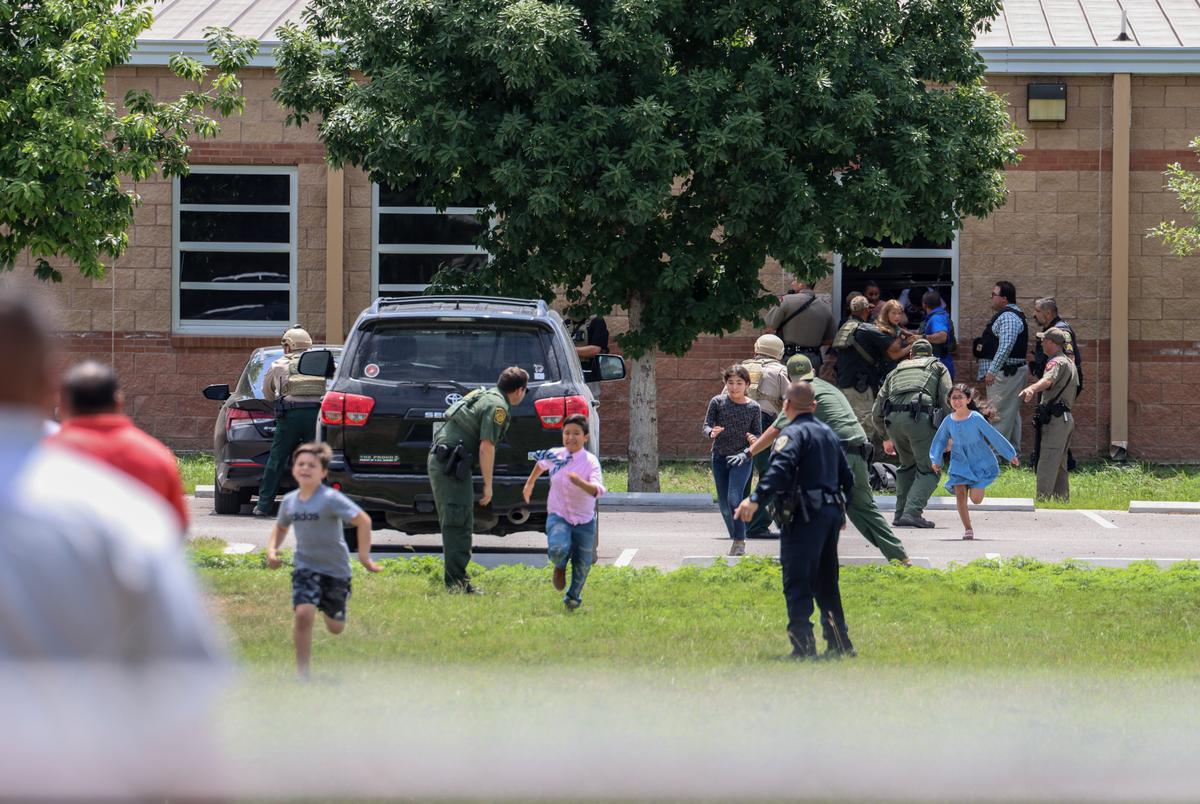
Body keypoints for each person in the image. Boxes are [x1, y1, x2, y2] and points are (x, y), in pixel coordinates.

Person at [736, 354, 910, 564]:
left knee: (787, 494)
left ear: (789, 378)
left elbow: (776, 429)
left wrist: (749, 452)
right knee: (864, 509)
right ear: (813, 372)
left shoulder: (801, 393)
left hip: (833, 457)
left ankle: (800, 552)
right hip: (858, 452)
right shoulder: (830, 388)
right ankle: (900, 557)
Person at [733, 382, 856, 660]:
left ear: (786, 406)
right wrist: (840, 511)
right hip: (829, 515)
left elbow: (779, 471)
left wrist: (754, 499)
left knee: (797, 581)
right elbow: (848, 479)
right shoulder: (828, 434)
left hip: (803, 517)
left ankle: (802, 649)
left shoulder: (792, 435)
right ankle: (840, 644)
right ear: (813, 407)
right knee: (827, 582)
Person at [266, 442, 379, 678]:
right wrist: (272, 551)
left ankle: (337, 608)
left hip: (336, 571)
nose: (305, 468)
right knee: (303, 614)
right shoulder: (289, 501)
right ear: (294, 469)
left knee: (335, 627)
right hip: (305, 567)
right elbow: (280, 527)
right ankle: (302, 674)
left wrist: (365, 557)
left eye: (312, 465)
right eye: (301, 464)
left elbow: (363, 521)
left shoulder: (331, 498)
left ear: (324, 472)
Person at [50, 360, 189, 533]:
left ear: (62, 405)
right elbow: (176, 530)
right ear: (119, 402)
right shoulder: (158, 457)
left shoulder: (41, 455)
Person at [429, 366, 529, 591]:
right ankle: (456, 583)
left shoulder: (483, 394)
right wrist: (488, 486)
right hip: (450, 464)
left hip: (448, 461)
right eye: (525, 391)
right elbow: (486, 447)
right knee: (458, 522)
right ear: (519, 390)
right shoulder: (498, 406)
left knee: (459, 520)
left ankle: (456, 579)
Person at [522, 413, 605, 610]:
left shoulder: (590, 461)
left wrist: (579, 482)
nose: (570, 437)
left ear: (585, 437)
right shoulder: (555, 454)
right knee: (558, 549)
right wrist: (529, 484)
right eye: (566, 433)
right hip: (558, 515)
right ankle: (559, 566)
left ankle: (573, 598)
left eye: (576, 433)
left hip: (584, 521)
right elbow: (540, 464)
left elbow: (597, 491)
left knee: (582, 563)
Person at [870, 339, 952, 529]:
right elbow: (947, 398)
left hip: (893, 423)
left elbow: (876, 409)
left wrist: (885, 436)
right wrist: (949, 433)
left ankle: (900, 514)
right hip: (919, 420)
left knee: (907, 466)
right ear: (930, 354)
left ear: (910, 355)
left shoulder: (895, 371)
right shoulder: (937, 367)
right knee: (930, 469)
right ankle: (912, 512)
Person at [929, 384, 1019, 540]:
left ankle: (973, 483)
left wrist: (1009, 454)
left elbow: (993, 436)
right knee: (960, 494)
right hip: (959, 462)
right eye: (953, 398)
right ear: (949, 400)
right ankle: (968, 529)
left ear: (968, 399)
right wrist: (935, 460)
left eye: (960, 397)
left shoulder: (976, 418)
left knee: (976, 500)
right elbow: (939, 440)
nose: (957, 401)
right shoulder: (948, 421)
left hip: (979, 461)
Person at [253, 326, 327, 517]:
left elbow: (268, 394)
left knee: (276, 460)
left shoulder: (278, 365)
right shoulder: (320, 364)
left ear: (288, 346)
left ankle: (264, 505)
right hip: (316, 416)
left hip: (289, 418)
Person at [703, 364, 762, 556]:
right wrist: (711, 432)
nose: (734, 387)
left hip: (742, 458)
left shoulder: (754, 407)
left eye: (739, 383)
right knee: (724, 505)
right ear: (725, 383)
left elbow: (758, 435)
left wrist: (753, 440)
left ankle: (739, 542)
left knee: (734, 498)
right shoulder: (717, 402)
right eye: (730, 383)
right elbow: (706, 426)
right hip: (719, 457)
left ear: (747, 385)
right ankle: (736, 536)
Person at [832, 295, 908, 436]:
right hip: (859, 386)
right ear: (868, 309)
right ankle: (863, 456)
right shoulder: (866, 329)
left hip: (844, 382)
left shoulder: (846, 327)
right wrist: (900, 333)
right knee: (865, 424)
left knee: (849, 422)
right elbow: (894, 348)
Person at [740, 334, 790, 539]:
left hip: (737, 422)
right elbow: (791, 401)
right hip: (764, 424)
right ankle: (757, 525)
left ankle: (739, 524)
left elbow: (724, 396)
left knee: (741, 475)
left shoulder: (741, 368)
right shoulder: (781, 371)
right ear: (779, 352)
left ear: (757, 348)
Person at [1019, 328, 1079, 500]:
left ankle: (1042, 498)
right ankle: (1061, 499)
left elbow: (1048, 380)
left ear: (1052, 343)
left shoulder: (1056, 362)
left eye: (1043, 340)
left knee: (1046, 460)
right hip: (1065, 418)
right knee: (1059, 462)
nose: (1041, 343)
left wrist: (1031, 388)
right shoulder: (1069, 362)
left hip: (1056, 419)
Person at [973, 281, 1029, 451]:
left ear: (1004, 298)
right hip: (1005, 373)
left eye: (993, 294)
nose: (991, 297)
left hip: (1005, 374)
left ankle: (995, 455)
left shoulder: (1009, 317)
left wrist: (992, 370)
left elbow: (1006, 345)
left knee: (998, 414)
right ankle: (1012, 454)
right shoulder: (1006, 315)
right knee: (1011, 414)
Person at [1029, 297, 1082, 469]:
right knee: (1047, 421)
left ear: (1048, 313)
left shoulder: (1061, 331)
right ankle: (1056, 461)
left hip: (1058, 386)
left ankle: (1056, 463)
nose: (1034, 315)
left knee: (1052, 421)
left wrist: (1052, 382)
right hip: (1051, 382)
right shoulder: (1050, 330)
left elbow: (1068, 360)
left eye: (1037, 311)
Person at [764, 276, 836, 371]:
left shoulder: (786, 301)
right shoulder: (824, 307)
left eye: (794, 280)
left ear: (801, 284)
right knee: (810, 385)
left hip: (790, 357)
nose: (792, 283)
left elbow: (769, 328)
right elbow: (830, 340)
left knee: (789, 385)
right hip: (813, 359)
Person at [873, 299, 916, 378]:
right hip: (885, 372)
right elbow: (894, 355)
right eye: (894, 313)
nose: (897, 316)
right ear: (886, 314)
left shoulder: (896, 328)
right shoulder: (883, 330)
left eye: (899, 313)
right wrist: (911, 346)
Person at [569, 312, 610, 395]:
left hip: (588, 376)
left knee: (589, 404)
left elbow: (595, 350)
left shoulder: (596, 321)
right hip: (568, 374)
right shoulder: (567, 323)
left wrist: (568, 350)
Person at [920, 290, 956, 379]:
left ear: (924, 304)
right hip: (941, 364)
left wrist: (922, 337)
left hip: (938, 365)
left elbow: (942, 336)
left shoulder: (937, 318)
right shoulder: (938, 316)